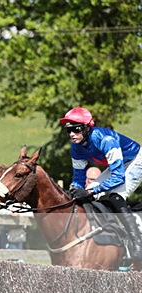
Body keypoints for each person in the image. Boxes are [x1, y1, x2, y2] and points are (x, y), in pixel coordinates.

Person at [61, 106, 142, 259]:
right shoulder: (76, 148)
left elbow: (118, 177)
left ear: (87, 128)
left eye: (76, 129)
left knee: (115, 195)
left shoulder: (106, 139)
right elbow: (78, 179)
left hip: (136, 159)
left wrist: (91, 192)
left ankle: (137, 242)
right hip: (118, 165)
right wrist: (76, 191)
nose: (72, 134)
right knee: (90, 190)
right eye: (68, 130)